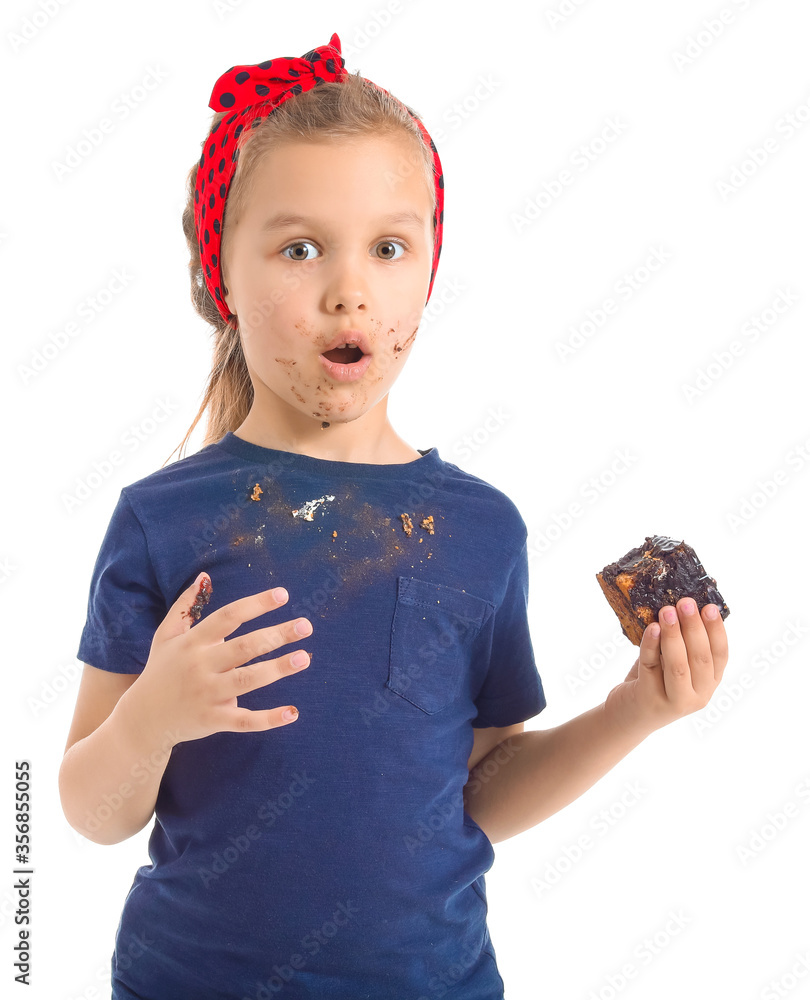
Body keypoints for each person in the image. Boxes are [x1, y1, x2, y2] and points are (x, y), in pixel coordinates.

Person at [58, 32, 729, 1000]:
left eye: (389, 246)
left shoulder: (481, 527)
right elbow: (86, 808)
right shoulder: (162, 519)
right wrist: (150, 720)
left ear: (427, 271)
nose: (349, 288)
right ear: (221, 281)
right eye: (299, 248)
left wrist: (638, 712)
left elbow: (478, 794)